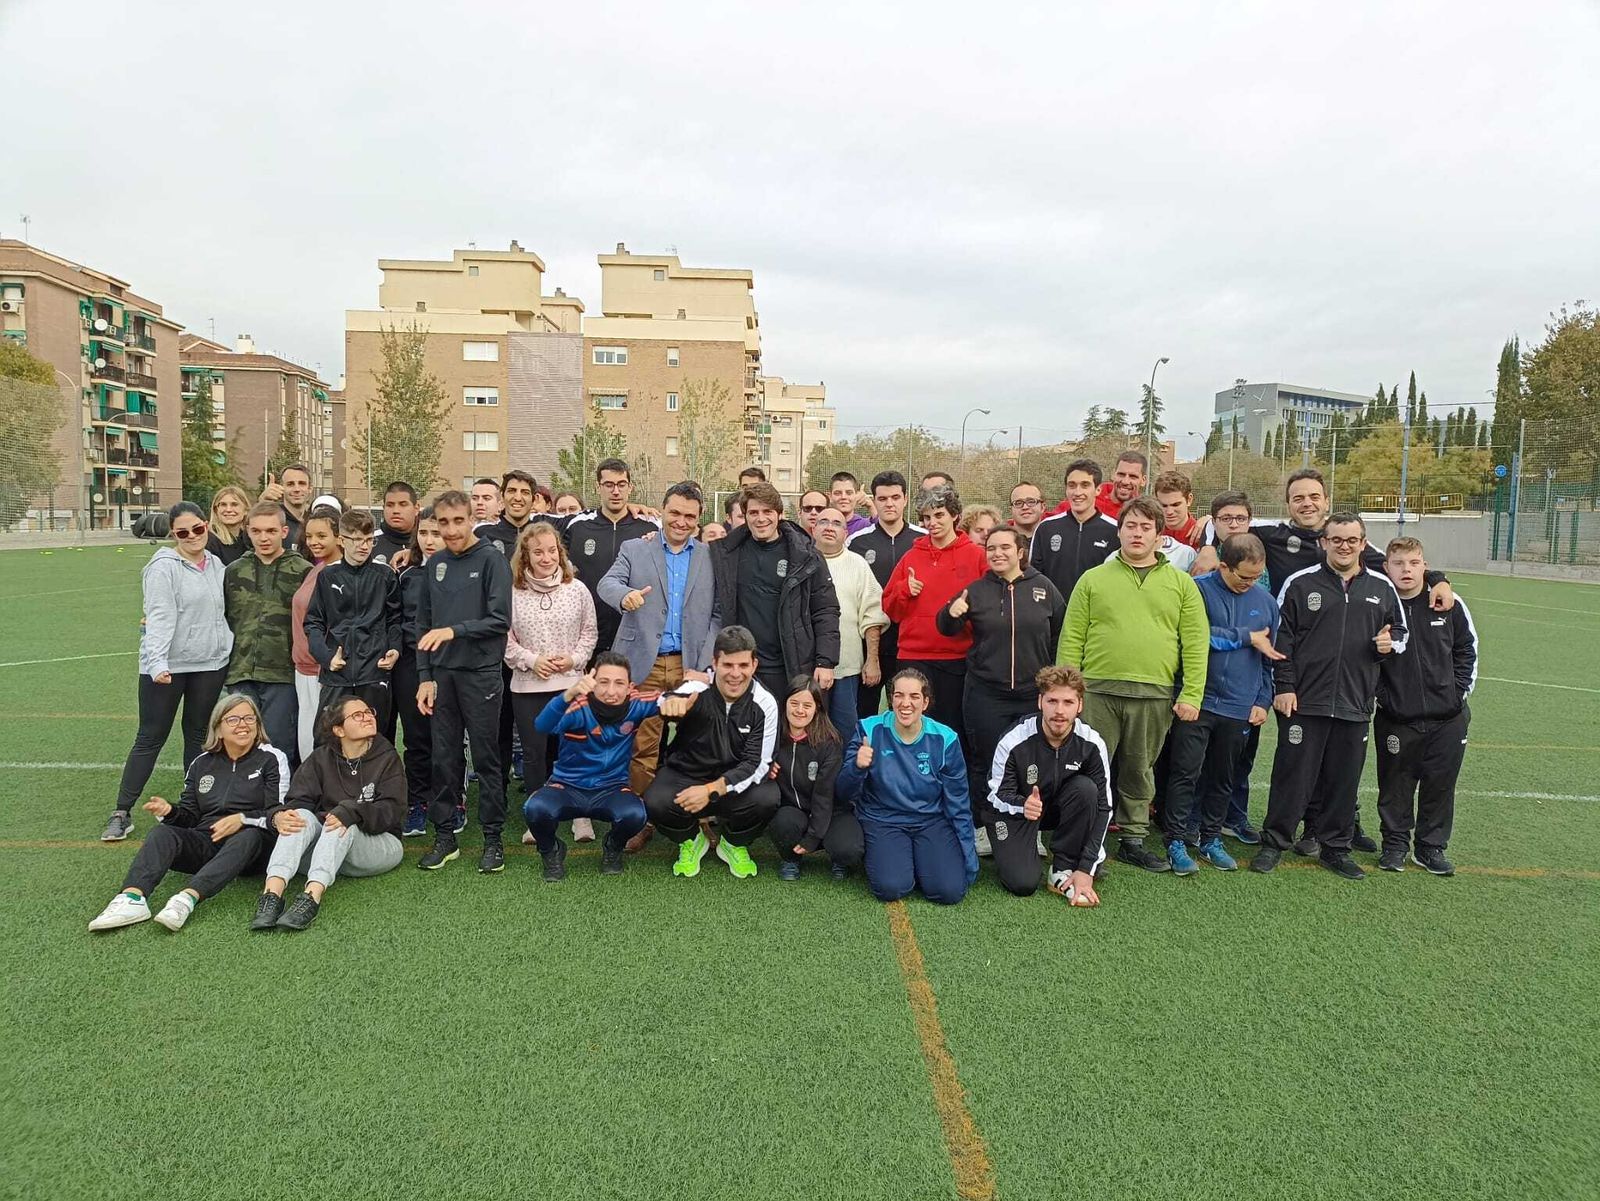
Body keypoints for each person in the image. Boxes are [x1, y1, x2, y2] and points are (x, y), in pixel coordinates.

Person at [1058, 496, 1208, 874]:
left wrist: (1191, 693)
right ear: (1119, 531)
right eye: (1130, 526)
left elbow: (1194, 641)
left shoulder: (1181, 585)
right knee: (1088, 767)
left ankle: (1133, 839)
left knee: (1140, 768)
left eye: (1146, 527)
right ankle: (1082, 840)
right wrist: (1067, 691)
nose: (1137, 533)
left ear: (1159, 536)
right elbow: (1072, 636)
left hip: (1153, 692)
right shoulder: (1093, 579)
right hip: (1097, 690)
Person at [1252, 513, 1406, 880]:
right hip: (1304, 702)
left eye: (1352, 540)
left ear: (1363, 543)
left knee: (1344, 779)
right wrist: (1285, 687)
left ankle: (1335, 847)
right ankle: (1274, 842)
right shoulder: (1300, 584)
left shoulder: (1383, 588)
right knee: (1293, 775)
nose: (1344, 546)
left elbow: (1400, 633)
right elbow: (1281, 641)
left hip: (1355, 703)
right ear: (1324, 542)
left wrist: (1389, 645)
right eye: (1336, 539)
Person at [89, 693, 286, 932]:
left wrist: (242, 819)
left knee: (249, 836)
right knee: (163, 833)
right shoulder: (201, 764)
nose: (243, 725)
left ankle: (187, 898)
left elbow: (278, 813)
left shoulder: (272, 759)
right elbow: (190, 817)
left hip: (253, 847)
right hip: (208, 840)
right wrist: (170, 811)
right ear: (219, 728)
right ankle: (132, 899)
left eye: (249, 718)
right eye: (233, 719)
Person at [102, 501, 235, 842]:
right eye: (182, 532)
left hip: (208, 664)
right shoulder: (163, 567)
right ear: (174, 535)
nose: (192, 536)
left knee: (197, 735)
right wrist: (158, 662)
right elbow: (159, 616)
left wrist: (226, 652)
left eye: (197, 529)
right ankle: (121, 812)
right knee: (150, 737)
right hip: (167, 668)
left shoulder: (217, 565)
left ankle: (195, 805)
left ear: (207, 526)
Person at [596, 482, 719, 813]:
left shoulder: (711, 557)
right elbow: (606, 583)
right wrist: (625, 596)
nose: (680, 521)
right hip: (643, 664)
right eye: (674, 513)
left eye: (689, 516)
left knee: (700, 744)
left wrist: (704, 664)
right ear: (661, 510)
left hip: (689, 665)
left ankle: (698, 817)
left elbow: (717, 615)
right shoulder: (635, 549)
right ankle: (642, 816)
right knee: (643, 745)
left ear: (699, 518)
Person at [1161, 534, 1279, 874]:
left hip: (1239, 706)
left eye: (1256, 577)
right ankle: (1177, 840)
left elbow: (1268, 657)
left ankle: (1211, 838)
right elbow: (1192, 638)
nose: (1249, 584)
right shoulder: (1196, 590)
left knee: (1223, 776)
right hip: (1196, 701)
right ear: (1223, 565)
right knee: (1185, 773)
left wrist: (1262, 699)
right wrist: (1244, 636)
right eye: (1243, 576)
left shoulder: (1266, 602)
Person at [936, 525, 1064, 838]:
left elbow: (1060, 633)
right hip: (985, 693)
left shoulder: (1044, 588)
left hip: (1031, 694)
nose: (997, 553)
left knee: (1031, 762)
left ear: (1020, 551)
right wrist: (952, 613)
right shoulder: (976, 590)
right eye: (991, 548)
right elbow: (945, 626)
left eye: (1005, 547)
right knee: (985, 761)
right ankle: (983, 826)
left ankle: (1028, 828)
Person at [415, 490, 514, 874]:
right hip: (442, 677)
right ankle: (445, 836)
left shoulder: (491, 560)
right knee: (444, 757)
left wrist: (454, 631)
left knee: (487, 758)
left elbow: (499, 620)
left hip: (481, 674)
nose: (452, 529)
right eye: (444, 522)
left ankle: (493, 838)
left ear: (472, 519)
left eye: (459, 521)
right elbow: (423, 625)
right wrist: (425, 676)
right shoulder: (435, 563)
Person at [250, 696, 405, 931]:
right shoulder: (321, 758)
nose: (368, 717)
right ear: (339, 729)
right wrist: (281, 816)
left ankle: (311, 896)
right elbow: (298, 800)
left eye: (369, 712)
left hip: (379, 845)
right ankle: (272, 894)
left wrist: (351, 811)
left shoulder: (387, 757)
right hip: (328, 849)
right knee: (300, 815)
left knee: (341, 821)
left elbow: (392, 812)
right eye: (358, 715)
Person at [1375, 536, 1478, 875]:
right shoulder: (1378, 605)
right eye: (1399, 563)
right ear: (1386, 567)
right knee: (1395, 784)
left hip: (1447, 718)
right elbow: (1365, 659)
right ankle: (1394, 845)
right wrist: (1385, 697)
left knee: (1440, 784)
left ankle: (1430, 848)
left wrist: (1456, 693)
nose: (1407, 570)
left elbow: (1466, 649)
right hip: (1397, 717)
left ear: (1425, 566)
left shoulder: (1448, 603)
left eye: (1414, 563)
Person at [645, 626, 781, 879]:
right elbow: (666, 700)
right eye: (728, 665)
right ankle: (691, 839)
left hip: (731, 780)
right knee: (656, 801)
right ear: (714, 663)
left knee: (768, 797)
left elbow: (757, 764)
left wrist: (710, 790)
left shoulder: (765, 702)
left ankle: (733, 843)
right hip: (688, 774)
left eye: (743, 665)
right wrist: (670, 704)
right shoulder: (696, 688)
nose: (735, 674)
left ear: (754, 665)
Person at [838, 668, 975, 905]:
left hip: (930, 821)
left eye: (914, 697)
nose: (905, 703)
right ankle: (901, 862)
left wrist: (968, 858)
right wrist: (857, 767)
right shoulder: (868, 730)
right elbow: (843, 792)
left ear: (925, 702)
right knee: (891, 888)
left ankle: (924, 862)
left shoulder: (946, 739)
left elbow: (958, 803)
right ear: (891, 699)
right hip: (882, 820)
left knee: (950, 892)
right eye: (899, 695)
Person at [523, 653, 658, 880]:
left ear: (629, 687)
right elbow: (542, 724)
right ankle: (551, 852)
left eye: (619, 683)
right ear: (591, 681)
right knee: (534, 809)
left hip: (612, 788)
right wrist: (569, 693)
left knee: (636, 814)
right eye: (603, 682)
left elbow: (674, 698)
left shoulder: (637, 704)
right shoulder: (577, 706)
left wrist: (695, 684)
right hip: (566, 786)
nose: (611, 691)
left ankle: (613, 848)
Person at [986, 666, 1111, 902]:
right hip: (1018, 813)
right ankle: (1023, 846)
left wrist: (1086, 869)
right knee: (1022, 883)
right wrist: (1023, 805)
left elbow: (1104, 808)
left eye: (1068, 702)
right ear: (1040, 701)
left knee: (1086, 790)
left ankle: (1062, 867)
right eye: (1052, 701)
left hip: (1059, 807)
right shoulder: (1014, 739)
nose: (1059, 711)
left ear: (1080, 705)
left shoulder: (1092, 743)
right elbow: (995, 795)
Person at [711, 481, 840, 704]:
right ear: (745, 515)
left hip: (791, 665)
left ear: (779, 514)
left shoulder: (807, 556)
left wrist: (825, 662)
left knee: (789, 734)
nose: (761, 519)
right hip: (742, 667)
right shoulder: (726, 554)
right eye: (753, 512)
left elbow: (826, 610)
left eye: (767, 512)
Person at [881, 483, 986, 738]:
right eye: (926, 517)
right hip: (913, 657)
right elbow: (890, 609)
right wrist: (904, 589)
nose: (932, 522)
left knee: (952, 731)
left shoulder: (976, 556)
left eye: (939, 515)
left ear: (954, 515)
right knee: (911, 729)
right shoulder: (910, 558)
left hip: (956, 660)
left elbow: (989, 607)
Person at [505, 521, 598, 801]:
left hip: (571, 684)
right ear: (526, 557)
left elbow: (589, 632)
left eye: (551, 551)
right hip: (528, 688)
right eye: (538, 552)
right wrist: (532, 660)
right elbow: (504, 639)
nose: (546, 558)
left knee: (573, 749)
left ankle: (577, 809)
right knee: (534, 754)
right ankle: (539, 810)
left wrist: (573, 659)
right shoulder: (512, 593)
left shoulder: (577, 589)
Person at [222, 501, 311, 763]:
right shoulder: (234, 571)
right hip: (240, 671)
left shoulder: (302, 571)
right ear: (247, 531)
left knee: (279, 744)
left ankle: (280, 799)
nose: (264, 537)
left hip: (282, 673)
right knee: (240, 740)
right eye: (257, 531)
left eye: (271, 531)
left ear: (285, 532)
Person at [304, 508, 402, 733]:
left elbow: (395, 619)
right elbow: (313, 622)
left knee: (376, 738)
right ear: (341, 539)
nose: (364, 546)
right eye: (357, 540)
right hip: (337, 674)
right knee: (326, 737)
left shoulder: (385, 575)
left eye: (369, 540)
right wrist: (327, 657)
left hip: (374, 673)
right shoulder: (328, 576)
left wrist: (395, 649)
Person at [767, 675, 863, 881]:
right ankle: (791, 858)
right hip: (797, 810)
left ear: (817, 708)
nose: (800, 710)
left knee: (849, 849)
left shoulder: (829, 742)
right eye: (794, 703)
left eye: (807, 705)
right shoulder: (773, 736)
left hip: (832, 811)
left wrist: (813, 837)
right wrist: (767, 768)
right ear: (784, 704)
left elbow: (824, 793)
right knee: (783, 822)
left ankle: (837, 856)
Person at [848, 470, 924, 720]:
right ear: (874, 500)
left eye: (895, 497)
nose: (889, 503)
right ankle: (865, 758)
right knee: (865, 714)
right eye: (882, 498)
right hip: (869, 645)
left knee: (908, 714)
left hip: (911, 646)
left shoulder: (923, 540)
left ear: (905, 499)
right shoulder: (857, 542)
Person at [565, 458, 660, 656]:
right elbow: (532, 518)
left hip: (635, 638)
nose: (615, 491)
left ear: (630, 487)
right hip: (585, 638)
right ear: (597, 487)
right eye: (609, 485)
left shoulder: (650, 528)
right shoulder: (577, 525)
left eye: (621, 484)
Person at [810, 507, 887, 736]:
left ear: (846, 533)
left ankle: (846, 773)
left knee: (845, 732)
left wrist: (872, 660)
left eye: (837, 524)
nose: (829, 528)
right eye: (823, 522)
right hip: (807, 667)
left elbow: (873, 614)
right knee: (810, 730)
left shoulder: (858, 564)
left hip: (846, 667)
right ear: (813, 529)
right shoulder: (802, 562)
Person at [394, 509, 442, 836]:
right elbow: (398, 620)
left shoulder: (464, 571)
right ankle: (418, 802)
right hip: (411, 663)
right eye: (423, 533)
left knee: (448, 738)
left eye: (436, 533)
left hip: (449, 664)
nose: (429, 540)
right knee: (416, 737)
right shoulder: (406, 575)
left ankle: (450, 799)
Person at [289, 505, 342, 762]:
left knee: (323, 740)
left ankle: (327, 797)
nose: (313, 542)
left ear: (339, 536)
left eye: (322, 536)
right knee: (308, 740)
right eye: (309, 536)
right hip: (304, 669)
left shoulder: (341, 572)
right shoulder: (317, 568)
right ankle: (310, 796)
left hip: (323, 671)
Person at [1030, 459, 1119, 607]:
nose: (1077, 492)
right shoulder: (1046, 528)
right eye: (1072, 485)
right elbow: (1034, 576)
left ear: (1098, 489)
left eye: (1085, 485)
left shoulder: (1115, 531)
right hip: (1054, 618)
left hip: (1097, 618)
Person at [260, 464, 313, 556]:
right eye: (290, 484)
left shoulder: (316, 520)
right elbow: (249, 539)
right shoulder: (272, 518)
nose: (297, 489)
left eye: (302, 483)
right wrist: (262, 505)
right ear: (282, 488)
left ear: (310, 489)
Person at [1153, 470, 1206, 550]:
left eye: (1175, 505)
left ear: (1189, 500)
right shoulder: (1148, 532)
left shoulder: (1204, 535)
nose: (1169, 512)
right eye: (1163, 505)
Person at [372, 480, 418, 566]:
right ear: (383, 508)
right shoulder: (369, 543)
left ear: (416, 508)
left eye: (403, 504)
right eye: (390, 505)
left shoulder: (428, 543)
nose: (396, 511)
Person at [205, 485, 253, 566]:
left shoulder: (249, 539)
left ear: (246, 510)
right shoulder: (209, 540)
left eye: (234, 504)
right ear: (216, 510)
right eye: (223, 504)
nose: (228, 510)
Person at [1007, 481, 1046, 551]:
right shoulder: (1001, 541)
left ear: (1042, 507)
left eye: (1031, 501)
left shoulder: (1054, 539)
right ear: (1011, 510)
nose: (1025, 507)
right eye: (1018, 503)